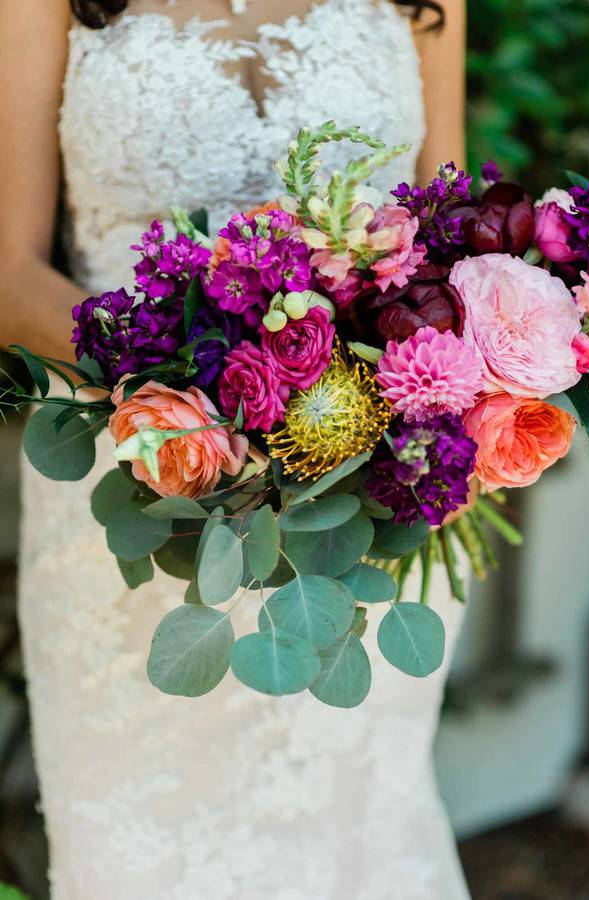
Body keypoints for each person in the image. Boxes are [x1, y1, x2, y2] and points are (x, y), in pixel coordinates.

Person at [0, 2, 470, 897]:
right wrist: (198, 398)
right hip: (144, 500)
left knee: (362, 841)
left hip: (364, 511)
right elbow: (7, 268)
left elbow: (441, 226)